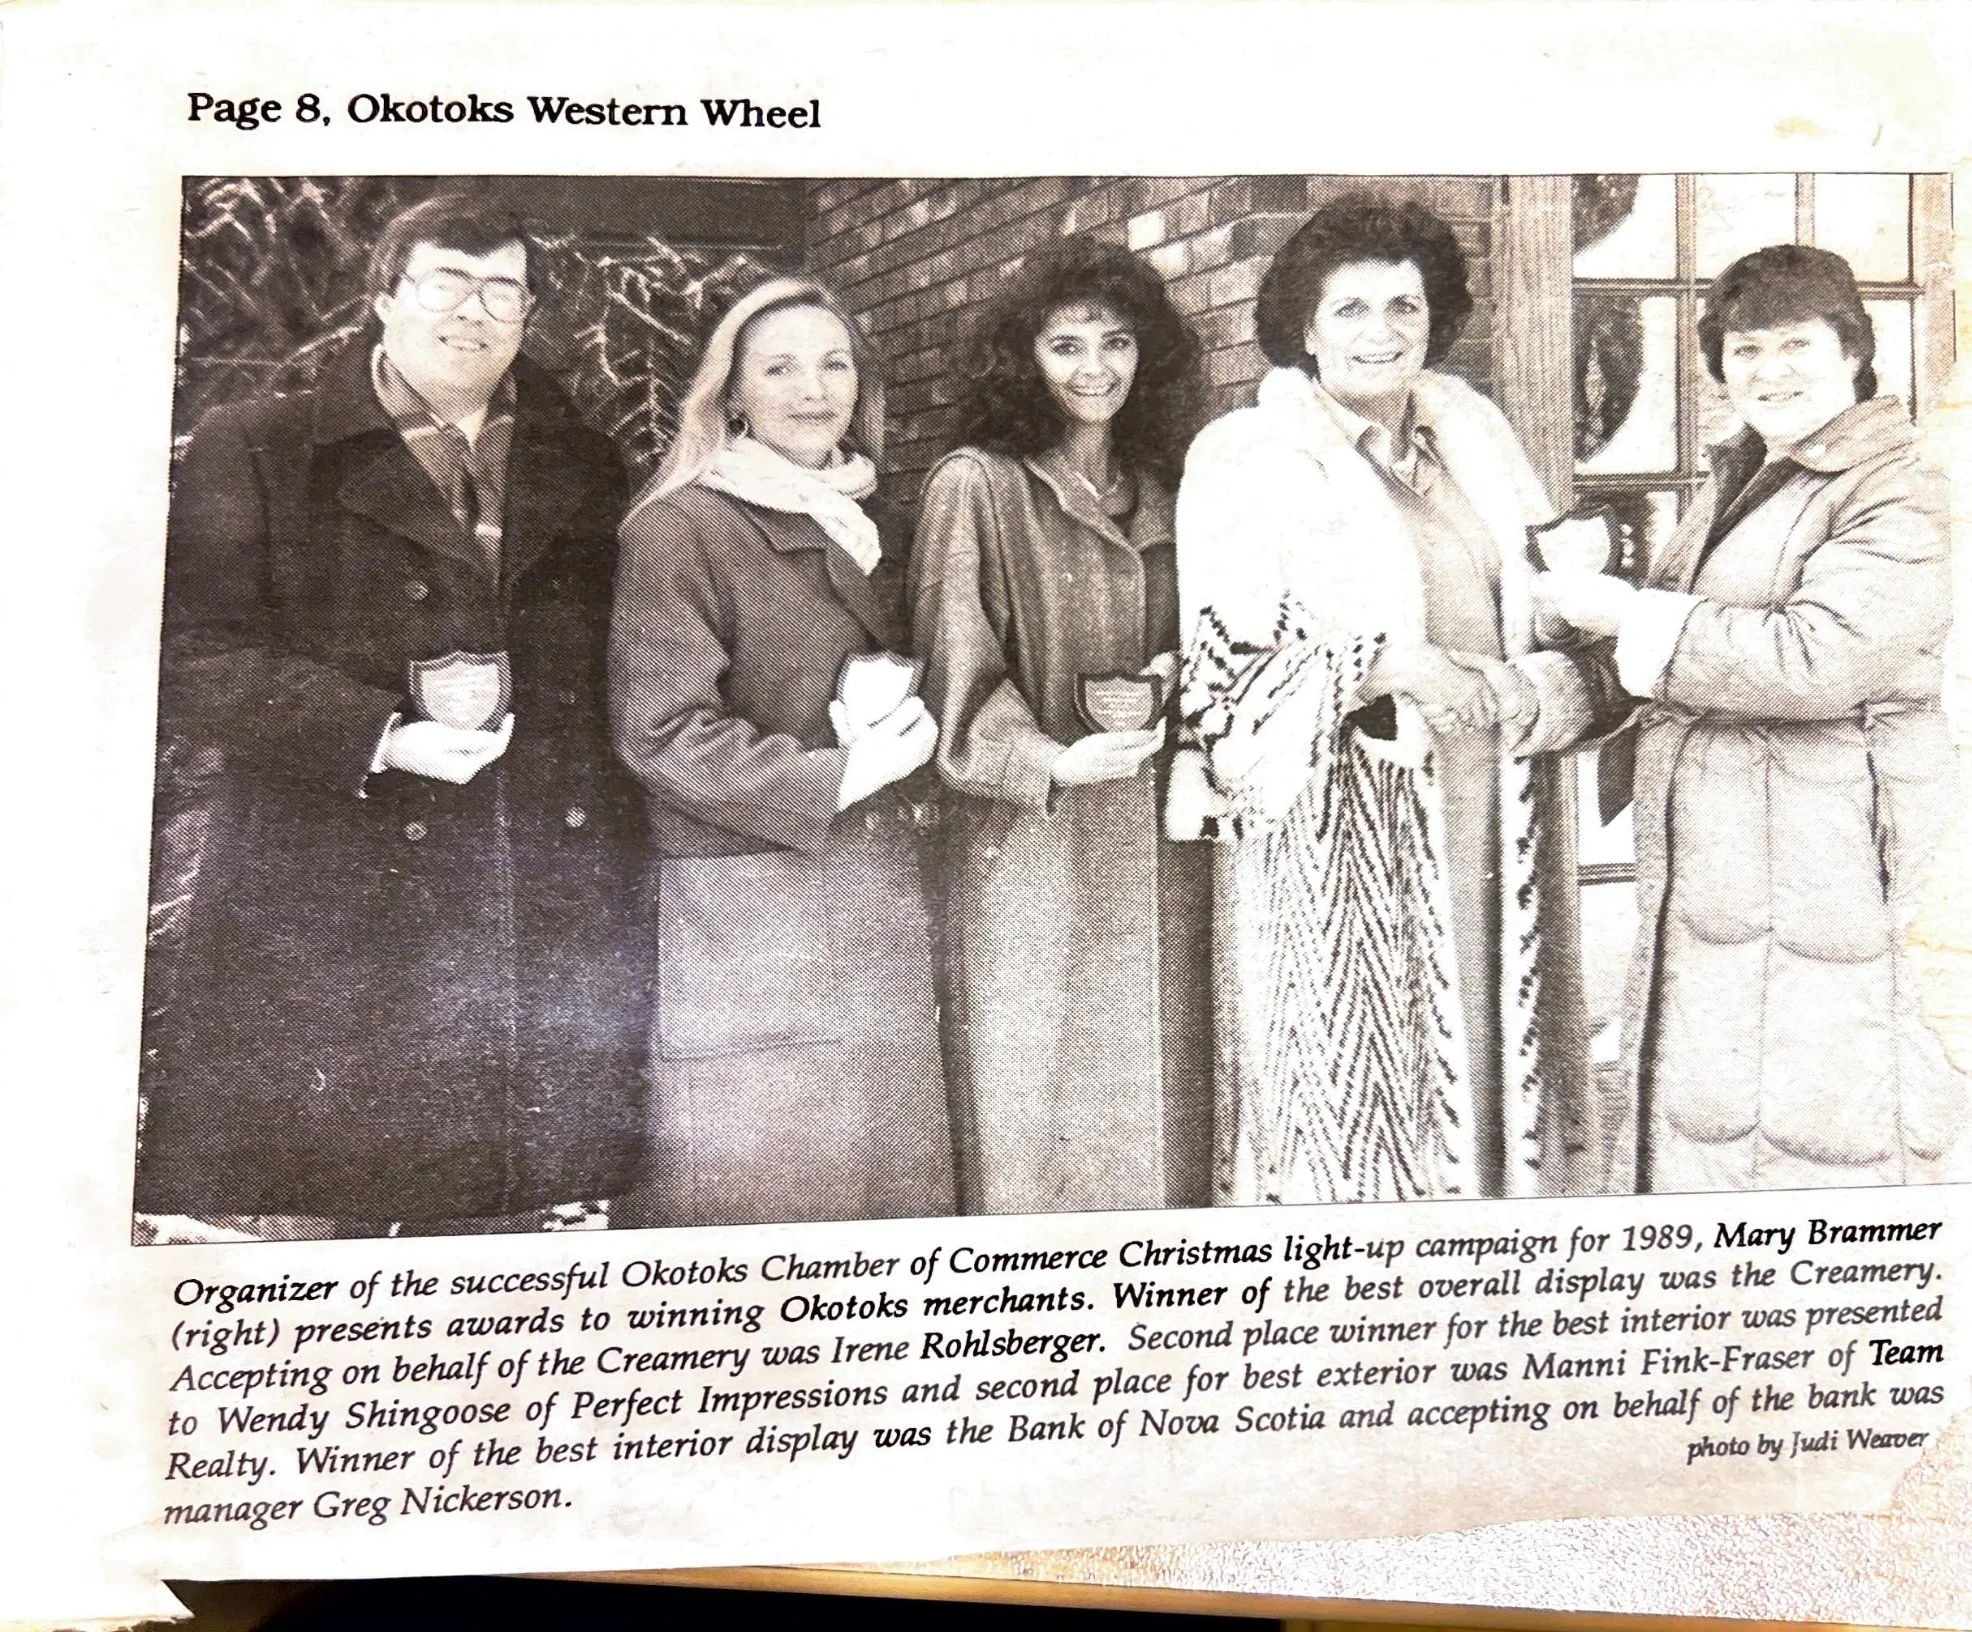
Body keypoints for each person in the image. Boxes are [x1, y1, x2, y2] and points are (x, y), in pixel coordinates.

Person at [136, 194, 648, 1236]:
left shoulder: (584, 464)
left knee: (505, 1238)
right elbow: (192, 654)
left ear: (529, 312)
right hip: (335, 882)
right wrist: (379, 733)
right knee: (339, 1221)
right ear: (383, 300)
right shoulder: (260, 446)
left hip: (529, 883)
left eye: (502, 288)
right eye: (446, 283)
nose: (475, 310)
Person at [1174, 192, 1608, 1207]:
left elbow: (1547, 609)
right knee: (1357, 1099)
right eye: (1351, 310)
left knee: (1499, 1077)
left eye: (1404, 307)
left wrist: (1545, 669)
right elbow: (1219, 678)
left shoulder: (1476, 436)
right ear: (1305, 329)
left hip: (1493, 801)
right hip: (1341, 833)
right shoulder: (1245, 459)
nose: (1381, 333)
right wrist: (1387, 665)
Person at [1531, 244, 1965, 1191]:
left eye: (1797, 344)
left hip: (1830, 861)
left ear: (1853, 351)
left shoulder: (1901, 486)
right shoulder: (1747, 478)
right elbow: (1689, 659)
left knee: (1826, 1131)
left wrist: (1627, 614)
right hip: (1737, 859)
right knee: (1723, 1122)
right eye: (1744, 349)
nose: (1768, 372)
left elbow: (1818, 659)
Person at [609, 277, 954, 1227]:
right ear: (732, 395)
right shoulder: (681, 526)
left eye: (834, 362)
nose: (815, 387)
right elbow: (661, 731)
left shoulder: (874, 520)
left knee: (882, 1206)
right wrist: (841, 774)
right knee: (759, 1202)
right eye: (781, 366)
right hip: (750, 913)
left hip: (872, 895)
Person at [911, 239, 1212, 1215]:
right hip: (1028, 841)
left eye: (1116, 342)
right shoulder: (978, 484)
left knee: (1146, 1098)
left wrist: (1181, 676)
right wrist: (1048, 759)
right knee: (1028, 1101)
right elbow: (957, 672)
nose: (1095, 370)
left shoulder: (1163, 485)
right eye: (1066, 345)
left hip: (1155, 847)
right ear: (1022, 358)